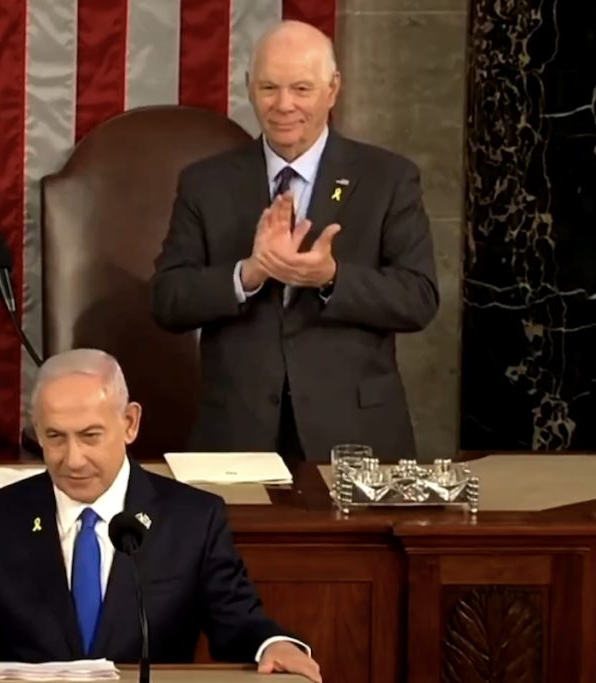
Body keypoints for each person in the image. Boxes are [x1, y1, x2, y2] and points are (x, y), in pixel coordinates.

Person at [0, 349, 321, 683]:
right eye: (55, 437)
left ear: (129, 423)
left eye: (90, 436)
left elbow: (239, 621)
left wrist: (275, 645)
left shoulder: (193, 519)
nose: (73, 460)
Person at [151, 21, 438, 462]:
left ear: (333, 88)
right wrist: (248, 274)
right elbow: (168, 300)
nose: (284, 105)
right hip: (236, 433)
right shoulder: (205, 183)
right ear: (249, 87)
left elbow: (419, 297)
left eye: (301, 89)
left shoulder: (387, 178)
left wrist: (330, 278)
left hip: (355, 434)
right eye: (269, 87)